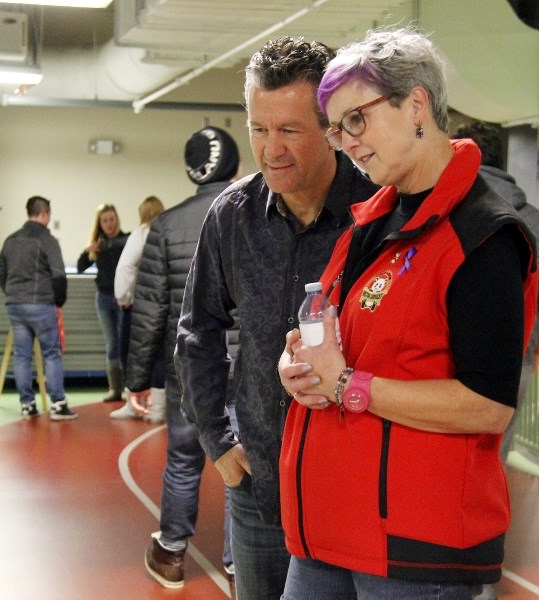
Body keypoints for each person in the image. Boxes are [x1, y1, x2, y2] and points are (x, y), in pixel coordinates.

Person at [277, 28, 538, 599]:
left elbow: (488, 405)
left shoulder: (483, 237)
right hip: (331, 523)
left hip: (415, 545)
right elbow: (347, 332)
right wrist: (300, 361)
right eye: (336, 128)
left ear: (415, 104)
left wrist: (347, 384)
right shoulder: (373, 222)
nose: (346, 142)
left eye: (357, 120)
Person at [174, 38, 379, 600]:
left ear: (333, 128)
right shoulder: (232, 218)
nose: (271, 150)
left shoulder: (378, 213)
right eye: (259, 130)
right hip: (261, 487)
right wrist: (220, 445)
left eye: (289, 130)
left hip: (357, 492)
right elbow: (198, 334)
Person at [125, 126, 241, 592]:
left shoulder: (165, 226)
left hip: (189, 367)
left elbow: (149, 311)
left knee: (183, 458)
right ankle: (241, 563)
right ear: (233, 164)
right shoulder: (252, 217)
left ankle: (171, 551)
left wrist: (137, 378)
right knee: (243, 457)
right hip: (244, 366)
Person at [453, 120, 539, 462]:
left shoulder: (452, 211)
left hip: (449, 363)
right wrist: (532, 357)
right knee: (494, 460)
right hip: (519, 359)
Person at [0, 195, 77, 420]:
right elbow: (59, 274)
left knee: (22, 355)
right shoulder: (47, 240)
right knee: (51, 353)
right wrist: (58, 300)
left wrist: (12, 293)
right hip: (41, 305)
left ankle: (27, 406)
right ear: (44, 213)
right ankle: (58, 404)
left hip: (15, 306)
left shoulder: (11, 240)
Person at [111, 195, 166, 420]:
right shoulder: (165, 234)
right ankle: (158, 409)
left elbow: (125, 267)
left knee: (132, 354)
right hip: (163, 305)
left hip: (138, 306)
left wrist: (123, 297)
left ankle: (134, 403)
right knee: (160, 356)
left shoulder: (141, 233)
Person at [77, 203, 129, 402]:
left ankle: (130, 388)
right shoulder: (97, 246)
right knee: (112, 344)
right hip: (104, 298)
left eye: (112, 219)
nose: (109, 223)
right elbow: (81, 266)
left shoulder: (125, 241)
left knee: (126, 343)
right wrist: (87, 250)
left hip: (123, 298)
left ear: (117, 220)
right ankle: (115, 389)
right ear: (100, 224)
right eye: (105, 220)